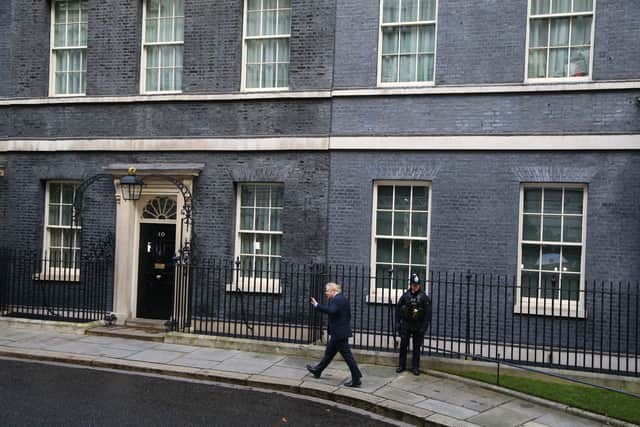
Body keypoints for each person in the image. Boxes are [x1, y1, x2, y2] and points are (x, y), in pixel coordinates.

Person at [306, 282, 363, 387]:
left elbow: (331, 311)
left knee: (348, 356)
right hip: (339, 332)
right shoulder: (343, 298)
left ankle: (356, 378)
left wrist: (317, 305)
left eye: (327, 291)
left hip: (339, 334)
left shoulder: (336, 300)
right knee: (329, 353)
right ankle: (317, 370)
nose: (326, 293)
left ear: (333, 290)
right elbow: (348, 315)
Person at [396, 273, 431, 375]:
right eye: (413, 285)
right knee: (403, 346)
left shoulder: (424, 297)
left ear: (419, 285)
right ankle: (401, 365)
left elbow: (428, 314)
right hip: (406, 324)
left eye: (417, 285)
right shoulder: (406, 296)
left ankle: (415, 367)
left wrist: (424, 327)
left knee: (416, 347)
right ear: (411, 285)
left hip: (418, 326)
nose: (415, 287)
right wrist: (398, 324)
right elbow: (398, 309)